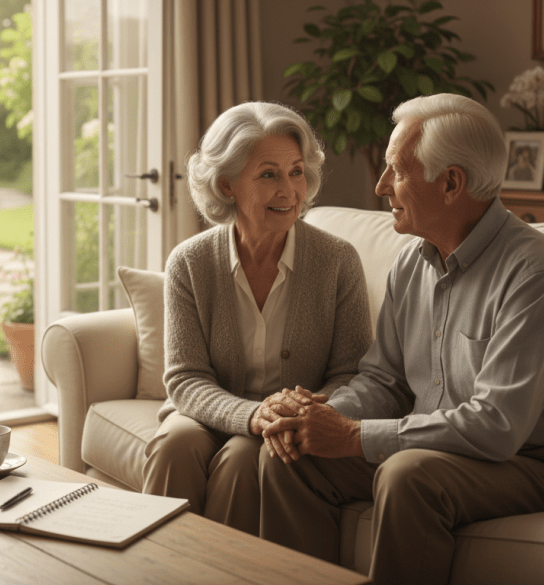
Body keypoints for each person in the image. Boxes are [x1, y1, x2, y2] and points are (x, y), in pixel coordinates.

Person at [256, 94, 544, 585]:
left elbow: (497, 425)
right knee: (290, 454)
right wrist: (320, 413)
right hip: (438, 451)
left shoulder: (535, 272)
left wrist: (353, 437)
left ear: (451, 182)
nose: (380, 185)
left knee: (407, 474)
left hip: (534, 466)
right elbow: (385, 382)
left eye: (396, 170)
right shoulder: (413, 262)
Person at [141, 101, 373, 536]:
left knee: (241, 459)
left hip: (288, 422)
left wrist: (297, 415)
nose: (289, 190)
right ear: (227, 185)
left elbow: (351, 373)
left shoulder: (338, 260)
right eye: (268, 174)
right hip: (208, 412)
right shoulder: (189, 263)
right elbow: (186, 378)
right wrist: (251, 415)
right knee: (175, 443)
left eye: (296, 172)